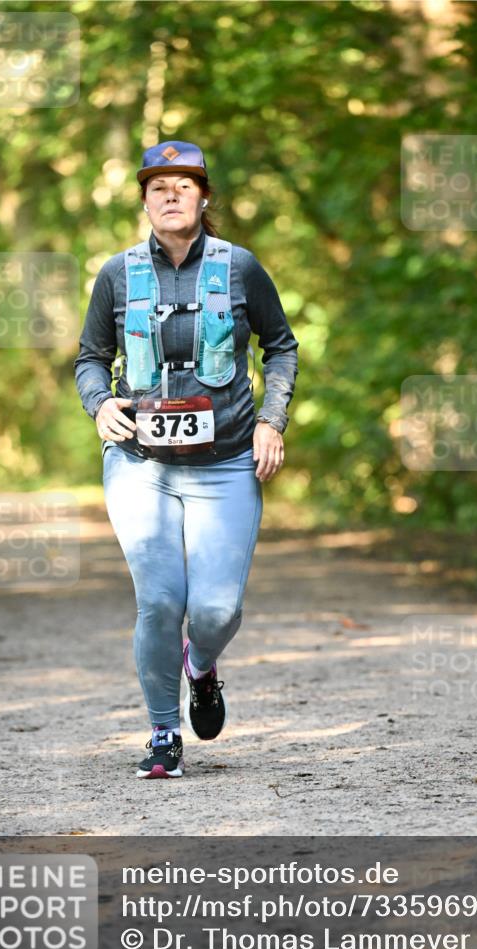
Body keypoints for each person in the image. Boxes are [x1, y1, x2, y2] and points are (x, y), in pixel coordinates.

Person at [74, 140, 299, 779]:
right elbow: (89, 357)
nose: (170, 195)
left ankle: (201, 666)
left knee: (216, 610)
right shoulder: (117, 274)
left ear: (204, 197)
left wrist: (270, 421)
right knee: (160, 601)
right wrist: (99, 405)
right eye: (157, 186)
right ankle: (163, 734)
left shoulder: (241, 268)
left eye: (184, 184)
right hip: (140, 464)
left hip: (226, 462)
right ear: (144, 200)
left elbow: (281, 348)